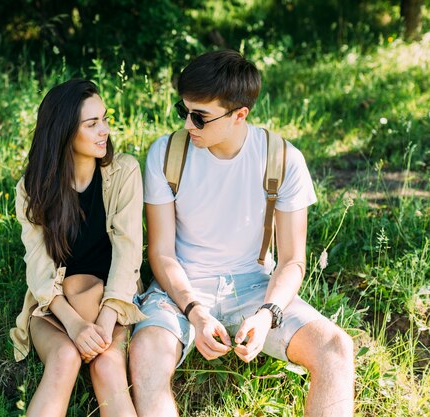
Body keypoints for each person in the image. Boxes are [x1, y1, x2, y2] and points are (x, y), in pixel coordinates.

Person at [129, 50, 355, 417]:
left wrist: (268, 313)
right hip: (180, 289)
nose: (188, 124)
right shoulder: (166, 153)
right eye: (182, 111)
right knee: (146, 356)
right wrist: (195, 311)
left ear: (239, 115)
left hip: (254, 287)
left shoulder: (282, 159)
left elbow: (293, 260)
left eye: (200, 117)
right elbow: (161, 254)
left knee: (336, 349)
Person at [9, 79, 145, 417]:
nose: (105, 131)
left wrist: (103, 322)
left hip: (112, 299)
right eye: (92, 123)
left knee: (107, 365)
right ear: (65, 131)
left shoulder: (124, 172)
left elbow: (129, 254)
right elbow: (39, 266)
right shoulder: (32, 188)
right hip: (56, 304)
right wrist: (73, 324)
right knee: (64, 358)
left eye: (105, 119)